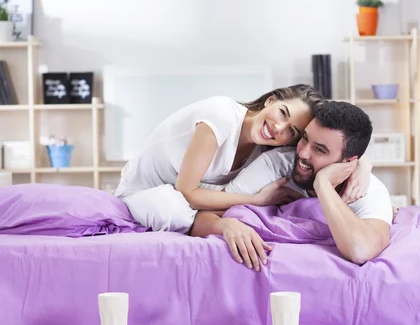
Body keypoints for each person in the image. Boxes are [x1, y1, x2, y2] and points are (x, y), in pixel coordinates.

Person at [115, 84, 371, 234]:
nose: (279, 128)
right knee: (174, 212)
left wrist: (361, 166)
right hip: (144, 193)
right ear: (270, 101)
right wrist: (256, 201)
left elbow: (323, 152)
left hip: (186, 200)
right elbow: (187, 193)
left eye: (292, 131)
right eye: (282, 113)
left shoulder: (264, 145)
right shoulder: (221, 115)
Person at [190, 101, 393, 269]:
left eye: (320, 150)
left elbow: (360, 250)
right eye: (304, 139)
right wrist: (226, 225)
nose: (303, 153)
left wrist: (323, 185)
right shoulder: (277, 165)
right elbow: (200, 219)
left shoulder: (366, 190)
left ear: (348, 162)